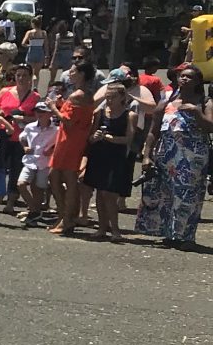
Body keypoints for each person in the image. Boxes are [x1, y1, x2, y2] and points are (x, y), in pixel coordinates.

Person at [136, 64, 211, 248]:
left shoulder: (205, 102)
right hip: (166, 156)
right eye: (182, 76)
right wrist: (147, 156)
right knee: (166, 195)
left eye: (189, 77)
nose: (184, 79)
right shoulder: (166, 102)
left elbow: (210, 126)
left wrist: (196, 112)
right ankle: (169, 233)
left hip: (192, 159)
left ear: (198, 82)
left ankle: (185, 237)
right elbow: (153, 131)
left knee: (187, 196)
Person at [83, 79, 136, 243]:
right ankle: (101, 228)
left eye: (112, 97)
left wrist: (110, 138)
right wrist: (95, 137)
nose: (109, 100)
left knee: (110, 194)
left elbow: (128, 139)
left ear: (122, 97)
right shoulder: (100, 113)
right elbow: (90, 138)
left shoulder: (129, 115)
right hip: (99, 155)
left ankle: (115, 230)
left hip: (116, 157)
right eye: (107, 97)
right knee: (99, 193)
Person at [47, 65, 97, 236]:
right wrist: (61, 104)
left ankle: (67, 218)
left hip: (70, 140)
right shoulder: (83, 94)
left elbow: (68, 121)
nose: (70, 73)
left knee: (67, 178)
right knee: (55, 176)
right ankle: (65, 215)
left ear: (82, 74)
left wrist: (53, 107)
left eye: (74, 71)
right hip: (70, 139)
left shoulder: (78, 95)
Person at [17, 100, 58, 225]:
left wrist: (51, 149)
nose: (39, 114)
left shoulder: (56, 130)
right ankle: (34, 209)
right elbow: (22, 137)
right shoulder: (30, 127)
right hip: (30, 160)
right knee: (21, 184)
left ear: (50, 114)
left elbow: (60, 143)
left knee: (39, 188)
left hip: (44, 162)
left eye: (43, 112)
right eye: (37, 111)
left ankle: (34, 213)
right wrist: (25, 146)